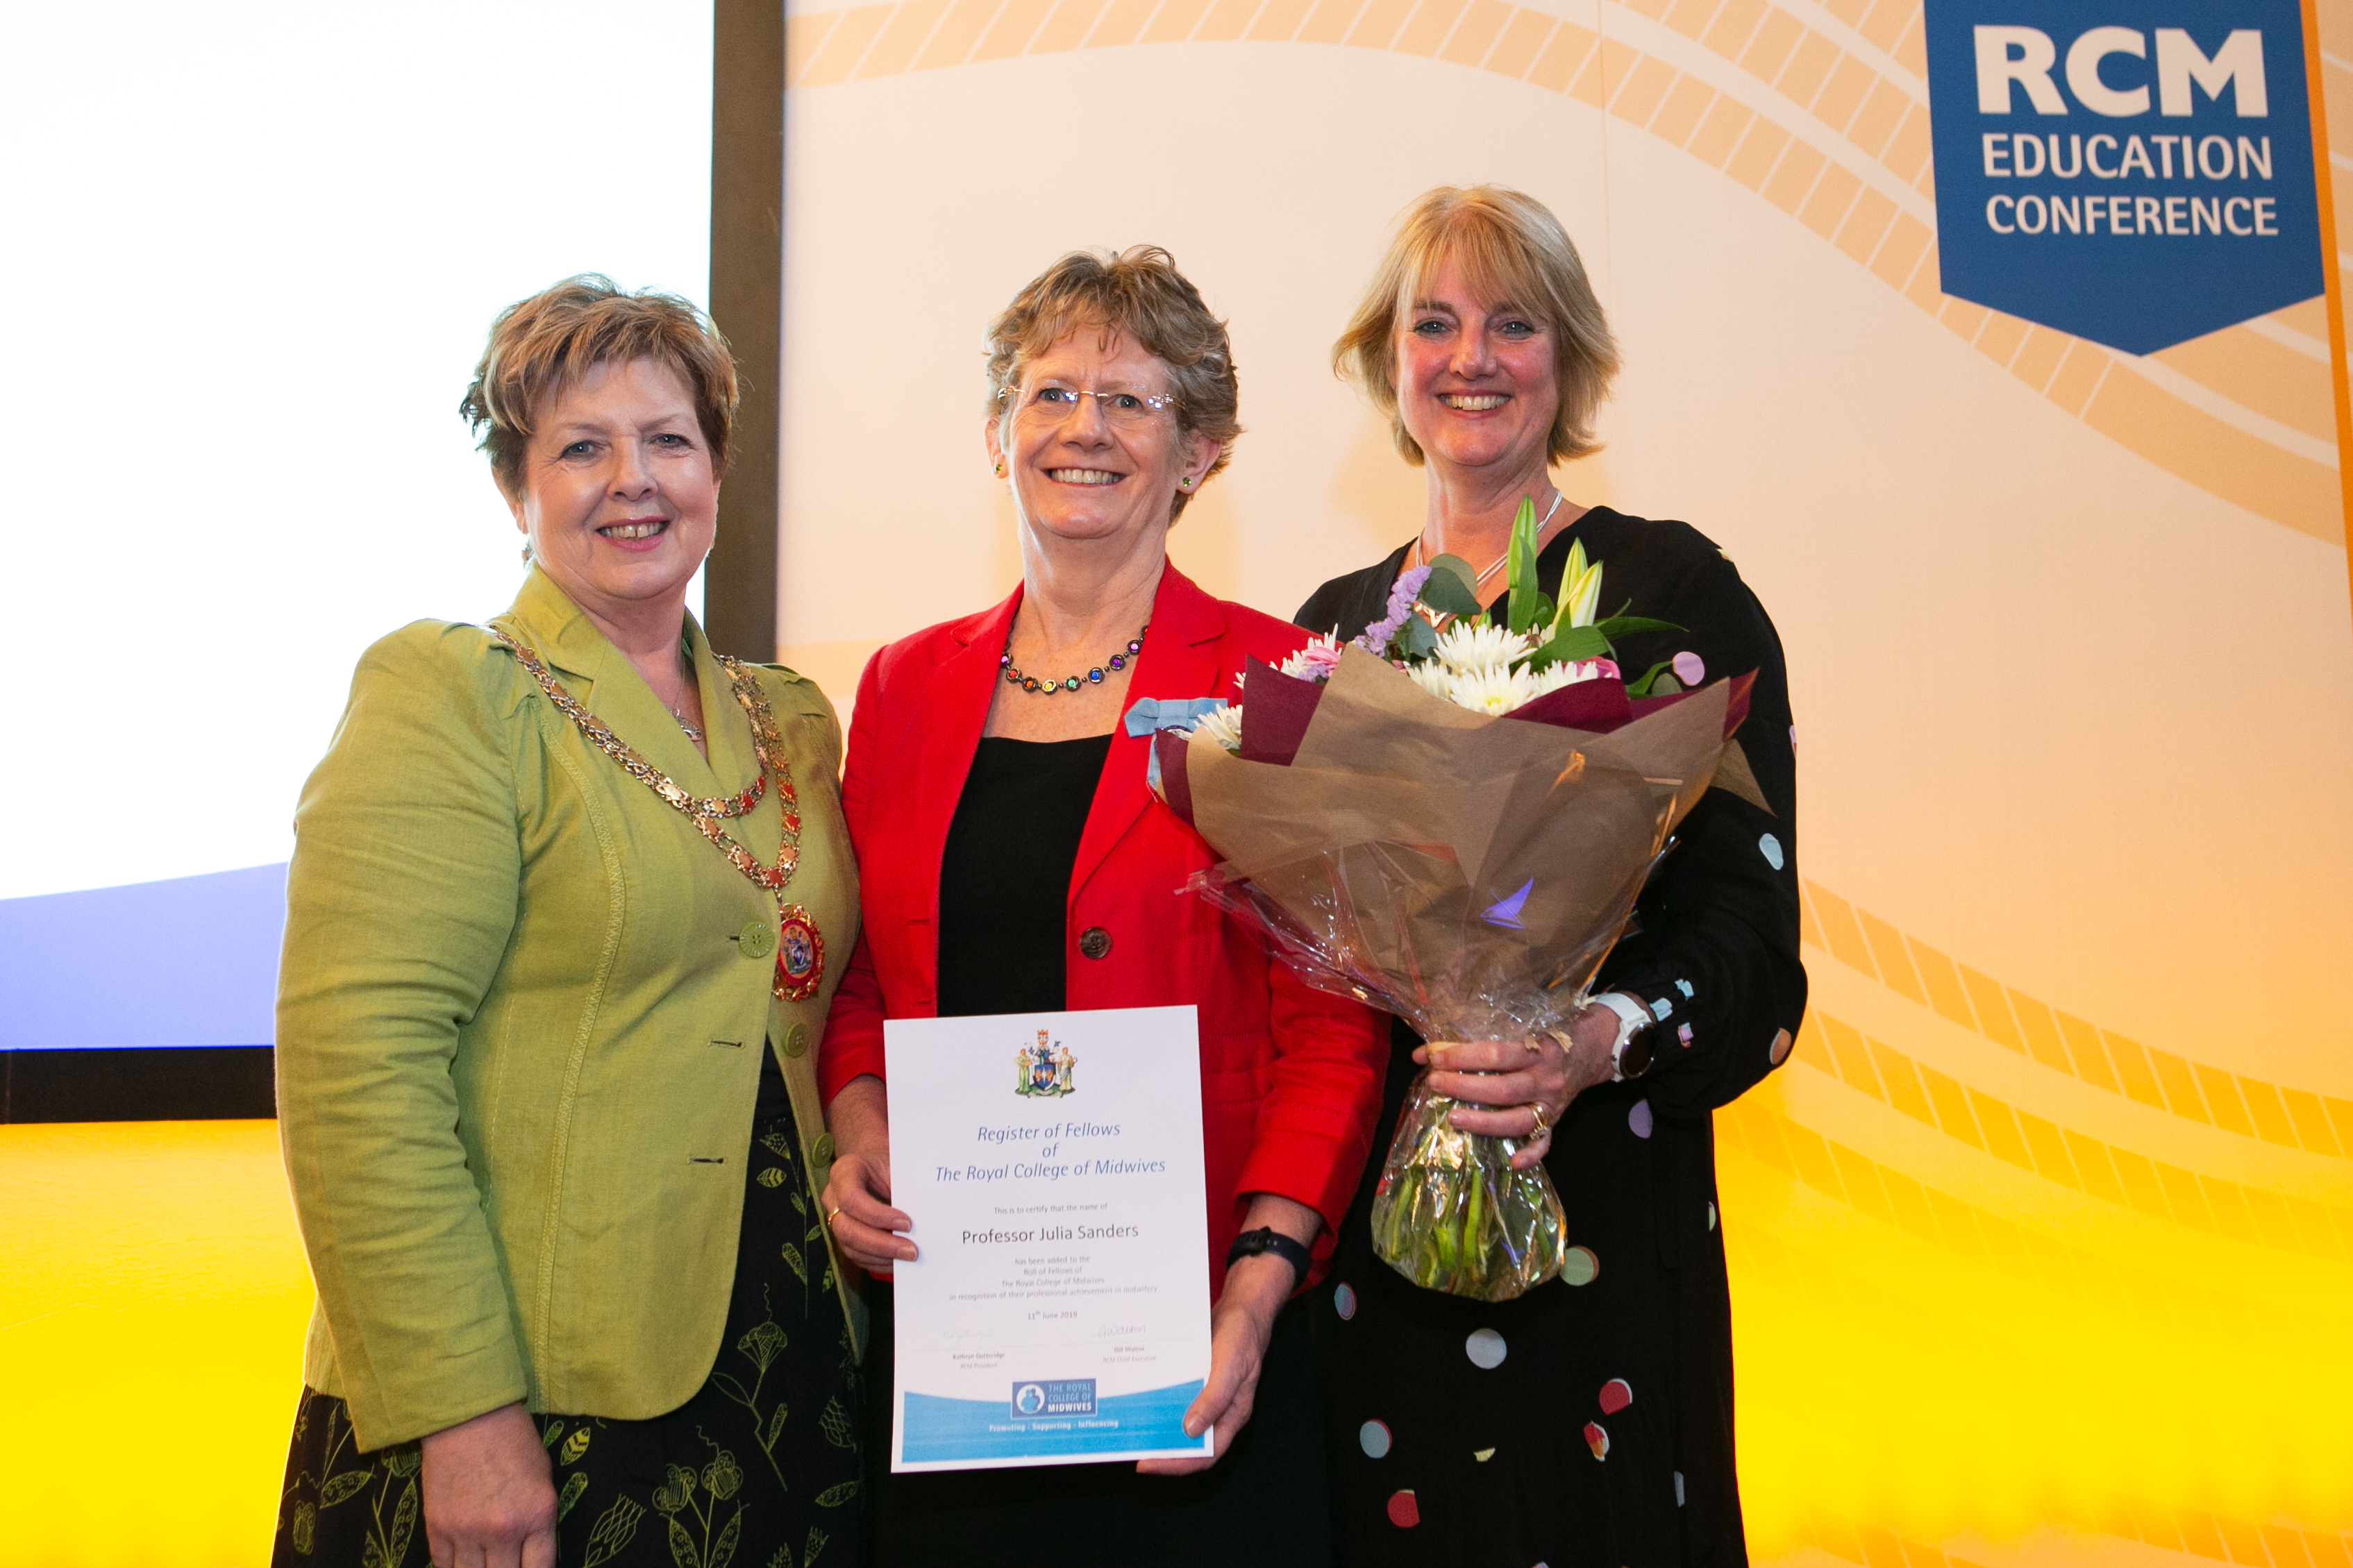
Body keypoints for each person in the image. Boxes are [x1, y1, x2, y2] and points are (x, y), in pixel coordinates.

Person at [271, 277, 864, 1568]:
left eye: (669, 441)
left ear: (716, 470)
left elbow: (831, 1007)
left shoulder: (790, 717)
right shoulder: (449, 693)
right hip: (534, 1408)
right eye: (582, 447)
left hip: (791, 1374)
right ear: (515, 488)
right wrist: (462, 1413)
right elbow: (355, 1077)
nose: (632, 479)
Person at [816, 246, 1387, 1566]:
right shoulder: (901, 687)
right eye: (1051, 392)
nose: (1084, 427)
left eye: (1131, 400)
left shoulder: (1276, 683)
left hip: (1197, 1346)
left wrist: (1257, 1282)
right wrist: (860, 1134)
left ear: (1200, 454)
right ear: (996, 433)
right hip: (956, 1347)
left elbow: (1332, 1024)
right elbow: (863, 982)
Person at [1293, 186, 1807, 1567]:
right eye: (1433, 323)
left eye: (1513, 324)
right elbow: (1302, 966)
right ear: (1386, 361)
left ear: (1569, 358)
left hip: (1602, 1223)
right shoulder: (1333, 631)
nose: (1471, 357)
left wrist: (1588, 1040)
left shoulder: (1673, 596)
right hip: (1382, 1250)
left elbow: (1752, 940)